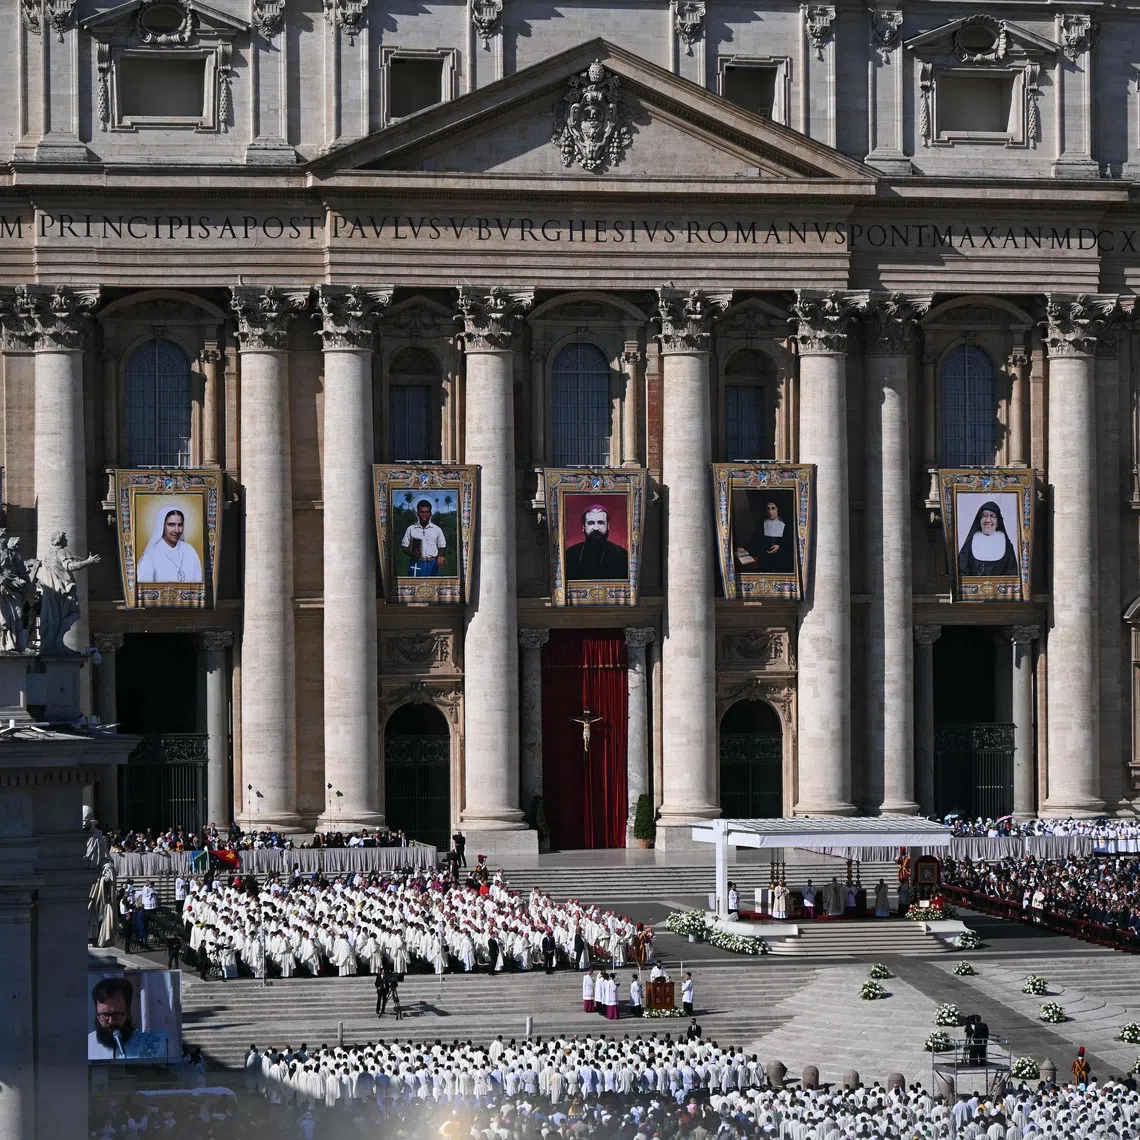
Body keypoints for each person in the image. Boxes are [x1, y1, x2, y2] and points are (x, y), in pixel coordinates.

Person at [88, 976, 168, 1060]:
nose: (111, 1021)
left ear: (127, 1011)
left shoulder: (156, 1044)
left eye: (117, 1014)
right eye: (105, 1014)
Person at [137, 508, 204, 583]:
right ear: (162, 526)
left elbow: (198, 583)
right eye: (171, 525)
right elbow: (146, 590)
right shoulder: (150, 554)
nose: (177, 530)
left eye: (180, 525)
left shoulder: (190, 550)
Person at [564, 505, 629, 580]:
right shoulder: (570, 554)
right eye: (591, 523)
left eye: (600, 523)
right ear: (583, 527)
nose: (596, 528)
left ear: (608, 526)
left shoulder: (621, 555)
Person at [957, 499, 1018, 578]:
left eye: (992, 516)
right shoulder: (970, 543)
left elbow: (1011, 573)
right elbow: (962, 570)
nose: (988, 520)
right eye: (985, 516)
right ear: (979, 520)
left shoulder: (1007, 545)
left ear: (998, 521)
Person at [737, 497, 793, 573]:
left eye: (773, 508)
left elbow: (789, 541)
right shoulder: (762, 524)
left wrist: (780, 546)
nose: (770, 511)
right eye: (768, 509)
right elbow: (754, 539)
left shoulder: (785, 524)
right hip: (764, 558)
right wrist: (745, 548)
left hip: (781, 559)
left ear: (778, 510)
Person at [400, 499, 447, 577]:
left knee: (433, 587)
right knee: (414, 587)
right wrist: (412, 553)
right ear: (417, 513)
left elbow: (442, 546)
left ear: (430, 513)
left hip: (432, 564)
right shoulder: (411, 529)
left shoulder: (437, 529)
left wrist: (440, 556)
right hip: (416, 563)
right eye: (422, 512)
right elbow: (403, 547)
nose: (424, 515)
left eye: (427, 512)